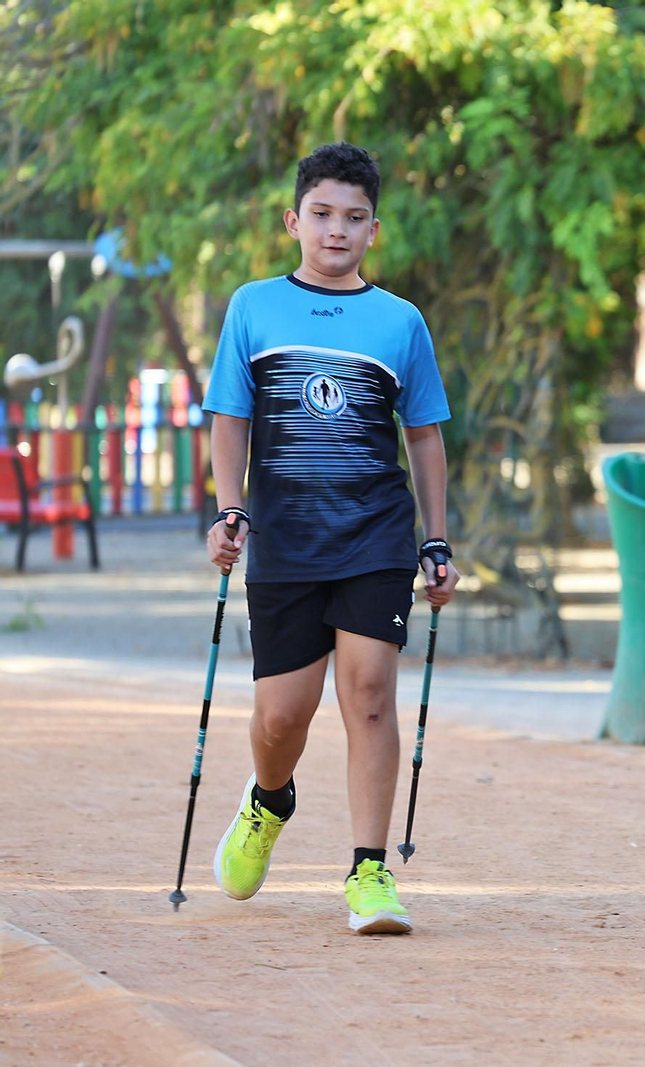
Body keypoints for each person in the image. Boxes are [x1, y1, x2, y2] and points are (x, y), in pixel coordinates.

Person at [202, 141, 459, 935]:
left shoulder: (399, 322)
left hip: (375, 534)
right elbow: (229, 419)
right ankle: (270, 798)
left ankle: (368, 871)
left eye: (353, 217)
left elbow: (422, 437)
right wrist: (227, 508)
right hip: (284, 534)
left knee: (371, 695)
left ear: (373, 230)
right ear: (294, 220)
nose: (336, 230)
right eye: (322, 214)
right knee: (284, 714)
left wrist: (437, 539)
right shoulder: (252, 306)